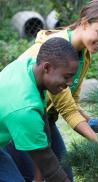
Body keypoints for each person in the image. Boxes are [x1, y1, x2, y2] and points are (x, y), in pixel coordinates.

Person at [6, 0, 98, 181]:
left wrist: (89, 121)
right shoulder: (54, 53)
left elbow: (71, 101)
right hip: (20, 123)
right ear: (84, 23)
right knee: (37, 174)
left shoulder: (83, 54)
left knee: (64, 173)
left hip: (44, 119)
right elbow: (68, 110)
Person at [0, 37, 79, 182]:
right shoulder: (24, 109)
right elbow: (49, 166)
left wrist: (38, 179)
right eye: (66, 76)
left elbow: (43, 131)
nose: (69, 83)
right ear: (47, 68)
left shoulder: (27, 67)